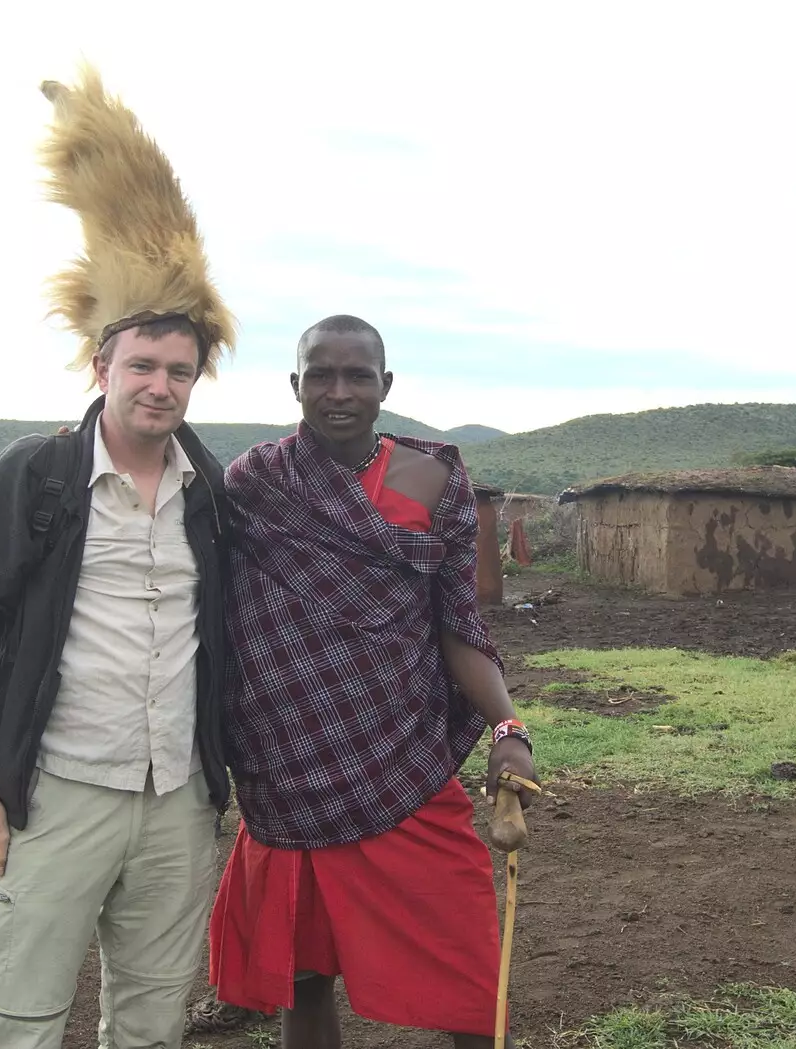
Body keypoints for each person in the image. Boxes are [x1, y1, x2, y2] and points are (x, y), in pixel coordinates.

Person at [0, 67, 237, 1049]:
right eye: (141, 365)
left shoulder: (209, 490)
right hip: (55, 792)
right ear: (100, 365)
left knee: (150, 1022)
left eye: (179, 371)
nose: (160, 385)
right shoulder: (37, 477)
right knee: (18, 1021)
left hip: (180, 801)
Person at [208, 315, 539, 1048]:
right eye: (319, 374)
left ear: (386, 386)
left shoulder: (433, 480)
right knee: (304, 977)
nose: (338, 391)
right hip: (285, 768)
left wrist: (508, 727)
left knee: (466, 968)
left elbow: (459, 626)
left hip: (402, 764)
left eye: (358, 375)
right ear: (294, 385)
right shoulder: (255, 483)